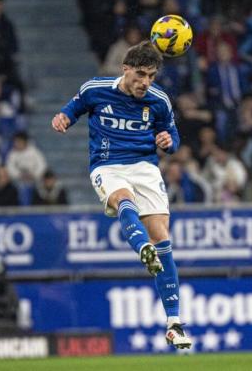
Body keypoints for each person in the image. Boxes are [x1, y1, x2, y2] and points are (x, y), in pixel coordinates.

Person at [50, 41, 191, 349]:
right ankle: (143, 248)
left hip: (145, 167)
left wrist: (169, 141)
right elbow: (71, 109)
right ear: (125, 69)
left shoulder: (159, 101)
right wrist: (62, 118)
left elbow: (173, 137)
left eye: (151, 76)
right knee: (123, 199)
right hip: (108, 165)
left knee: (163, 237)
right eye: (140, 74)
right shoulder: (95, 89)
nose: (145, 82)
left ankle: (174, 323)